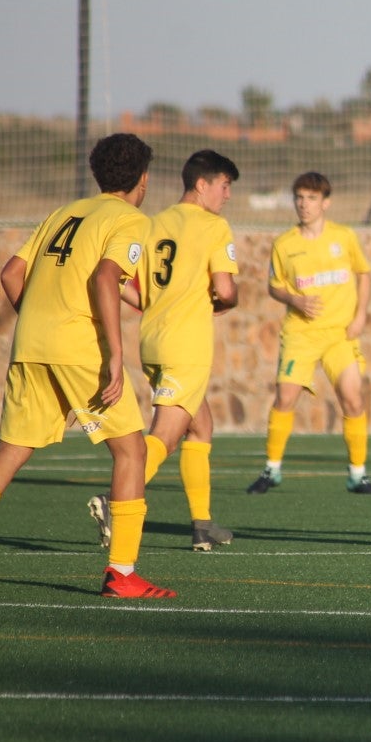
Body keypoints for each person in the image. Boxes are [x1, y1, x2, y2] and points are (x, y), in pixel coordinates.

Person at [0, 133, 175, 598]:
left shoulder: (64, 213)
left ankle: (123, 573)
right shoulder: (131, 219)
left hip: (31, 344)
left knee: (10, 454)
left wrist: (40, 323)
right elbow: (105, 277)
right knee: (132, 451)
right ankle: (122, 573)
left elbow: (10, 273)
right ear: (143, 179)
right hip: (79, 349)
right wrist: (116, 355)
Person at [87, 150, 241, 552]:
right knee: (165, 436)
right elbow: (224, 290)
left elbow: (126, 285)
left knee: (200, 425)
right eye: (224, 186)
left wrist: (159, 301)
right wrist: (226, 300)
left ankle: (203, 524)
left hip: (152, 342)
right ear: (202, 184)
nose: (227, 195)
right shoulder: (213, 226)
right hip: (186, 346)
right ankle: (113, 500)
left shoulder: (153, 224)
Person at [245, 171, 371, 495]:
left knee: (352, 397)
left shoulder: (344, 237)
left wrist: (360, 315)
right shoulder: (284, 244)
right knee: (285, 397)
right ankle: (271, 470)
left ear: (326, 203)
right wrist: (294, 298)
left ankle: (358, 474)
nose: (304, 205)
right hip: (300, 335)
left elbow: (364, 273)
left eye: (311, 198)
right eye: (299, 198)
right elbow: (274, 286)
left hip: (339, 334)